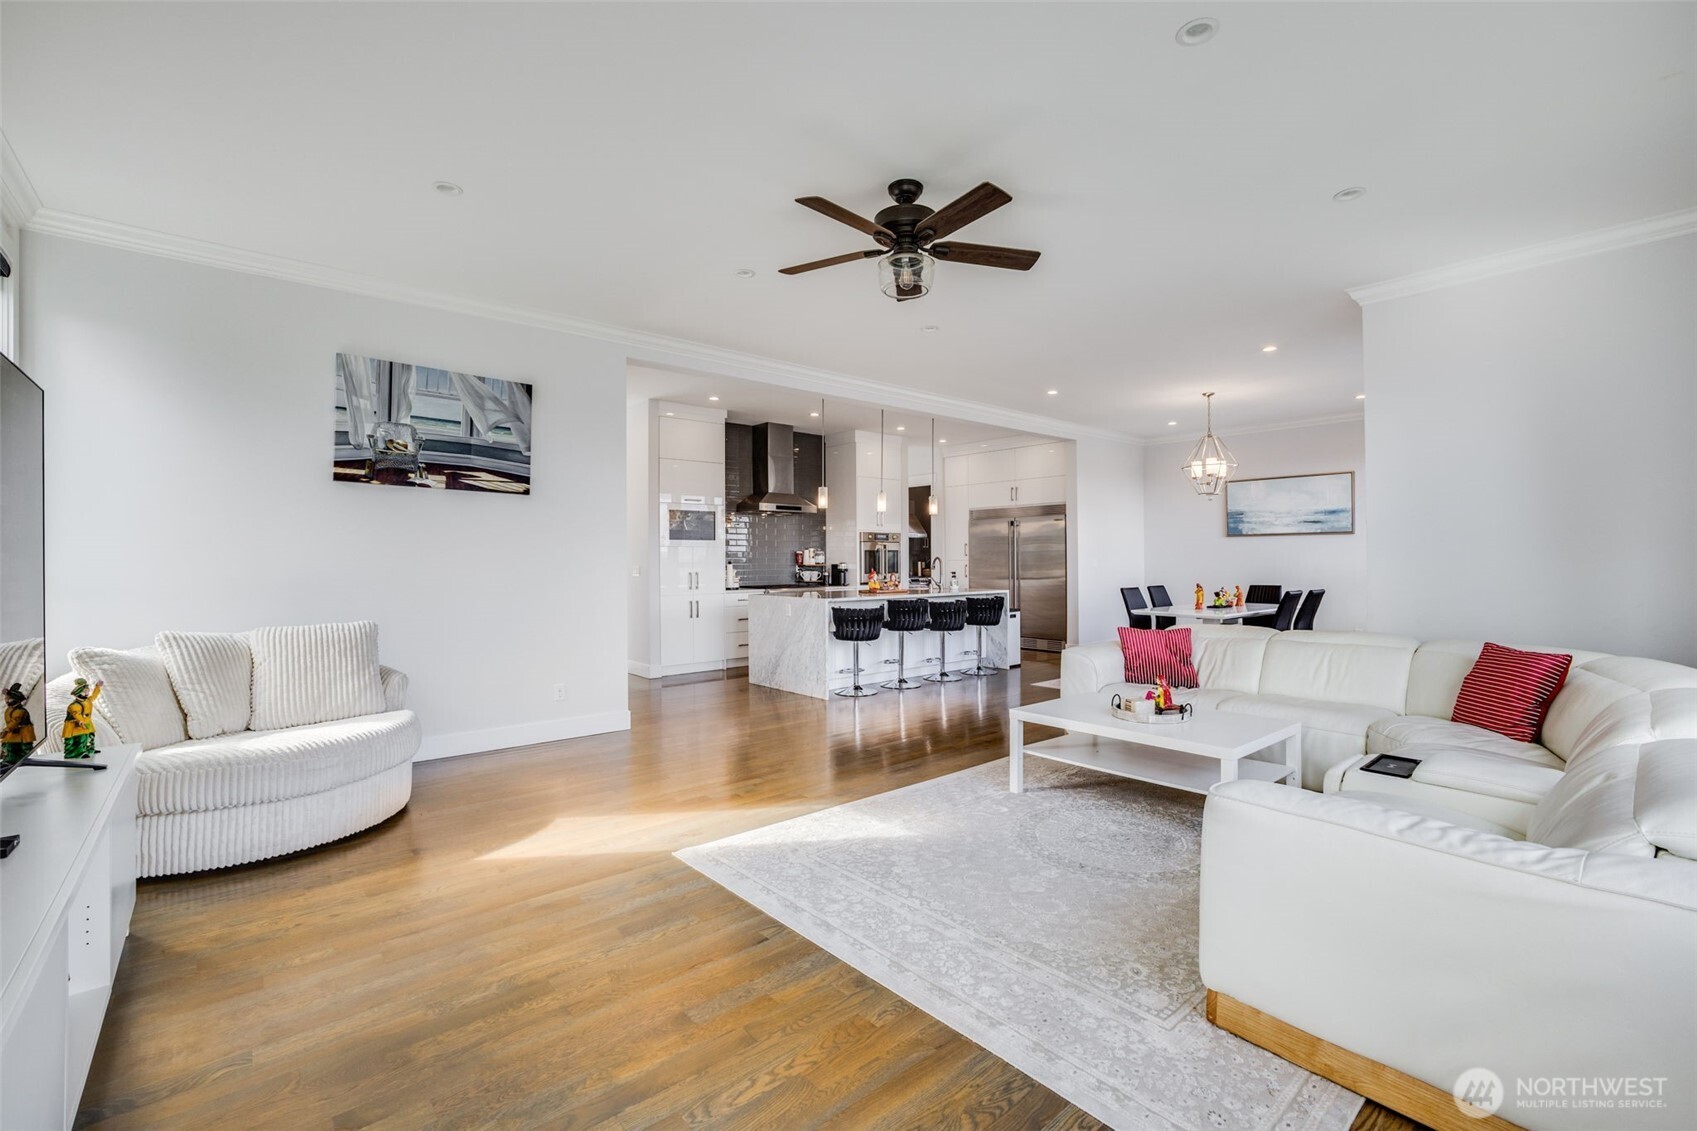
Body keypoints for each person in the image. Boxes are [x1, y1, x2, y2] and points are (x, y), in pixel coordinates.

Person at [62, 677, 103, 759]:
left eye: (87, 691)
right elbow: (76, 714)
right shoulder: (74, 705)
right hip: (75, 725)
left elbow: (94, 696)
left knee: (90, 736)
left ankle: (89, 749)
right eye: (85, 691)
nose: (87, 693)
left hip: (87, 722)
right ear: (78, 693)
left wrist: (97, 687)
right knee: (81, 738)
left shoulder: (87, 700)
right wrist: (81, 722)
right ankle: (78, 753)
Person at [2, 682, 37, 765]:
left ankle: (24, 760)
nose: (6, 701)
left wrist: (6, 730)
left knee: (24, 747)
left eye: (9, 699)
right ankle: (10, 760)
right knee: (9, 745)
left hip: (24, 732)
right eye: (6, 699)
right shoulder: (9, 710)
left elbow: (15, 721)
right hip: (14, 732)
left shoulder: (20, 711)